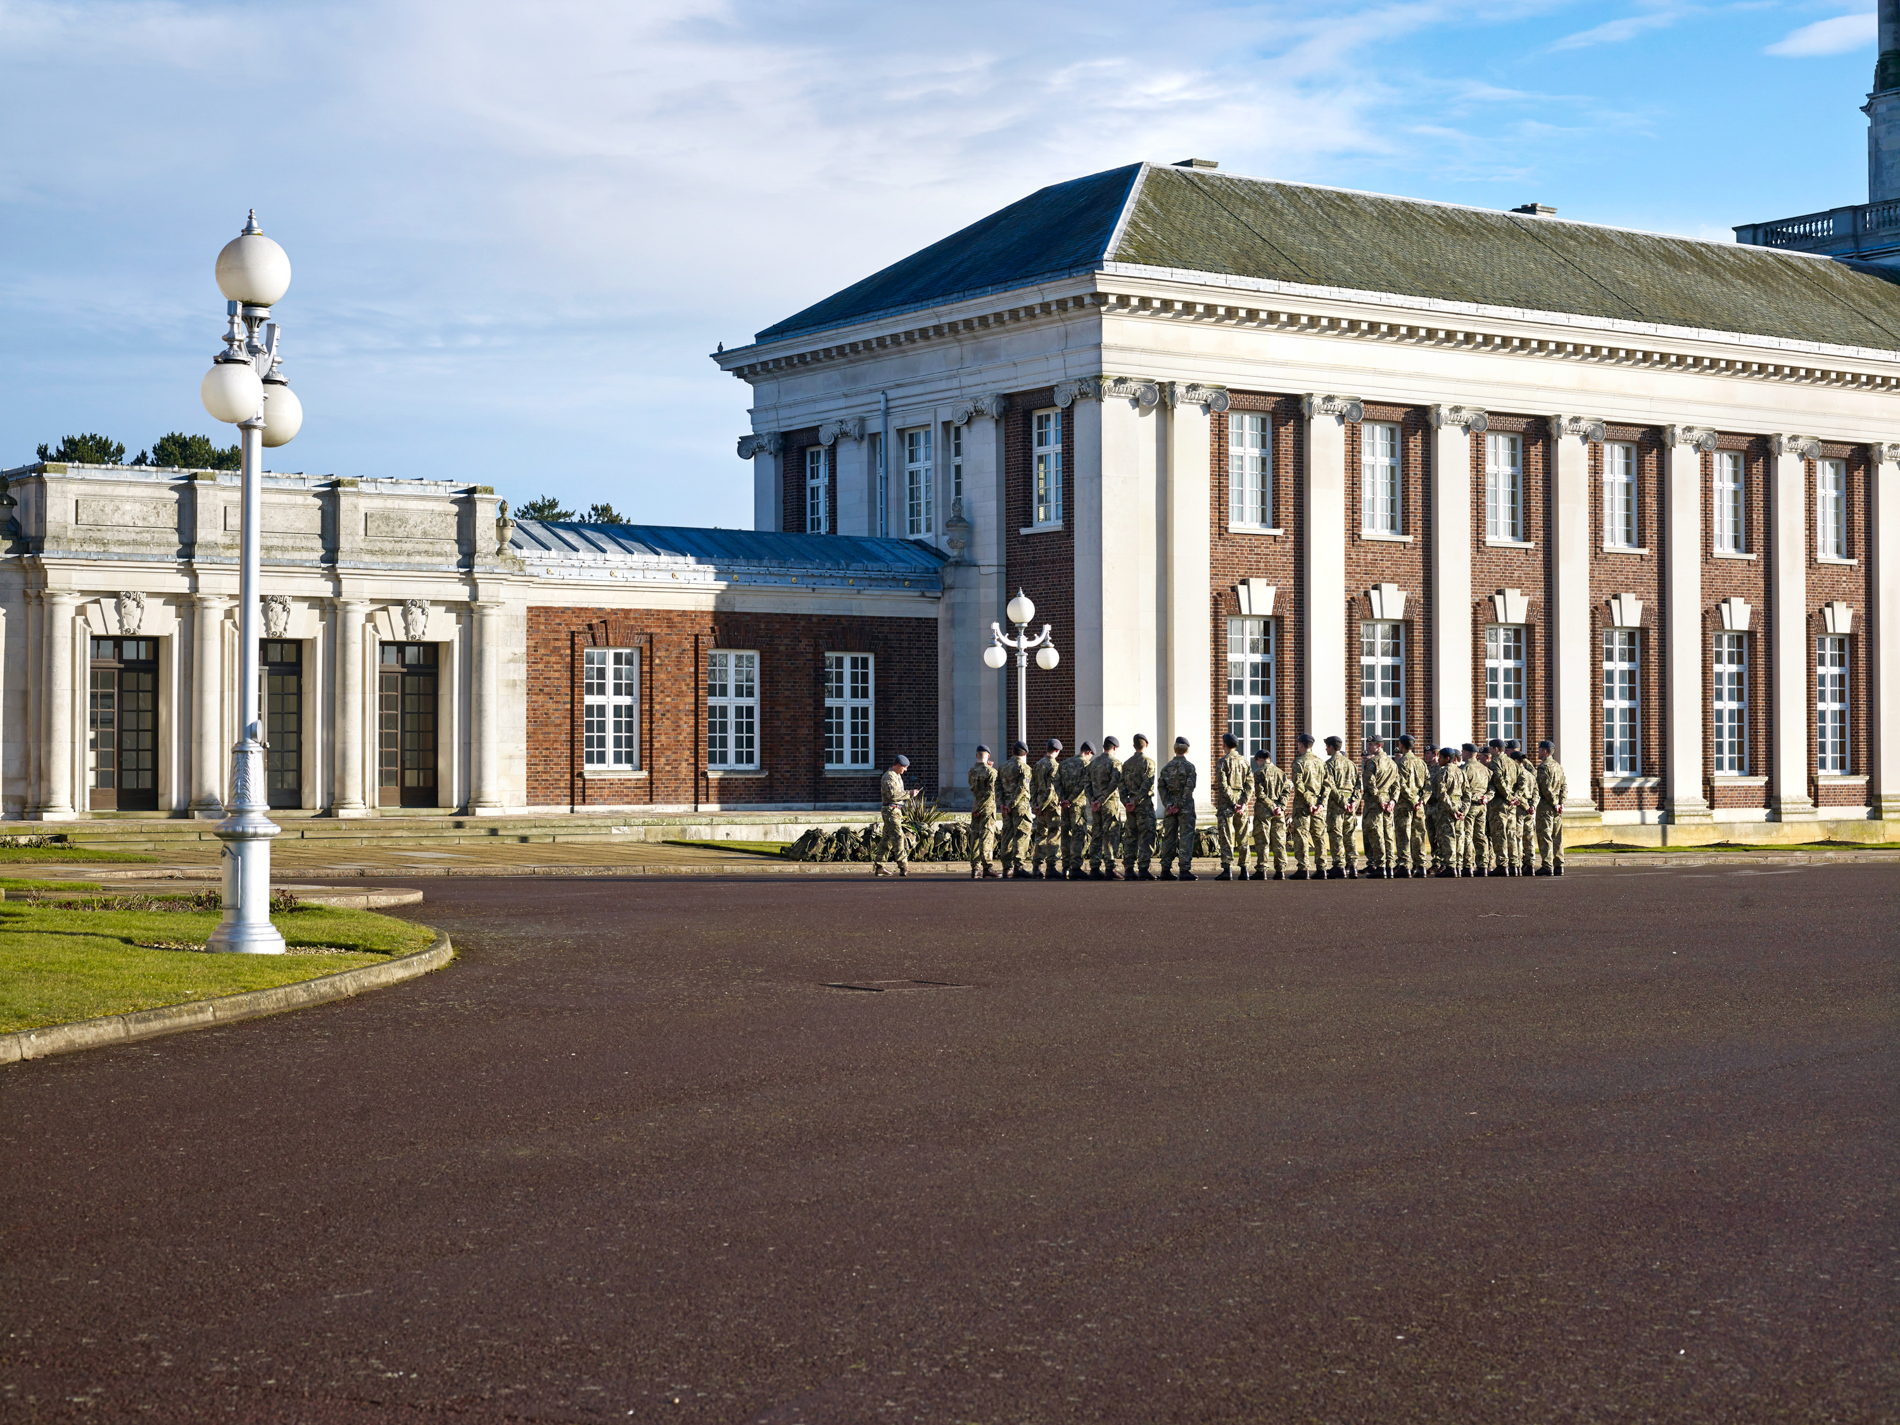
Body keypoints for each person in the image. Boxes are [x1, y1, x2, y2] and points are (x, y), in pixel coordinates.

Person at [1212, 732, 1252, 881]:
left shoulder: (1222, 762)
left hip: (1226, 805)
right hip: (1241, 803)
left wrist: (1233, 803)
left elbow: (1223, 785)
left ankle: (1227, 869)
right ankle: (1244, 869)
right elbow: (1250, 784)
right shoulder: (1245, 762)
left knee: (1226, 836)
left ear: (1224, 744)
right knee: (1243, 837)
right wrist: (1243, 803)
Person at [1157, 736, 1199, 881]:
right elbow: (1189, 788)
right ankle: (1184, 869)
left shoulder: (1167, 767)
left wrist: (1169, 804)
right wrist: (1180, 804)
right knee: (1186, 837)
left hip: (1170, 808)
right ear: (1187, 750)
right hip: (1185, 807)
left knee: (1169, 837)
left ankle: (1165, 869)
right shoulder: (1190, 767)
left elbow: (1161, 788)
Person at [1247, 747, 1292, 880]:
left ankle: (1262, 870)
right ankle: (1281, 870)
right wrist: (1280, 806)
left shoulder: (1259, 773)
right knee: (1279, 840)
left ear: (1260, 759)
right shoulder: (1281, 773)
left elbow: (1260, 793)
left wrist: (1271, 806)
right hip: (1278, 812)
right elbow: (1286, 792)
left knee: (1262, 840)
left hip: (1263, 811)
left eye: (1257, 761)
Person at [1321, 735, 1362, 879]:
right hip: (1350, 804)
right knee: (1350, 835)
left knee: (1336, 835)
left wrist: (1343, 802)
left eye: (1327, 746)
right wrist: (1353, 802)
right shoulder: (1351, 764)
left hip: (1336, 805)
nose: (1326, 748)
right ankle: (1353, 866)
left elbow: (1330, 786)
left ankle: (1339, 865)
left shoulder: (1328, 765)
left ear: (1332, 747)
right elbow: (1358, 785)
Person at [1120, 734, 1159, 880]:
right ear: (1146, 745)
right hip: (1143, 805)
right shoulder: (1148, 763)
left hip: (1130, 805)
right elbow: (1147, 784)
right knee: (1147, 835)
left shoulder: (1126, 764)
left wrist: (1127, 802)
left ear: (1134, 746)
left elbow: (1121, 785)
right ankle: (1143, 868)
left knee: (1130, 836)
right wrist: (1136, 801)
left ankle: (1129, 869)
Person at [873, 754, 918, 877]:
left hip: (895, 810)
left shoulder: (897, 776)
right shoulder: (889, 777)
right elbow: (893, 795)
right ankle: (903, 866)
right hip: (890, 810)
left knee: (886, 839)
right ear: (898, 765)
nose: (906, 769)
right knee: (898, 837)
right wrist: (910, 794)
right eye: (904, 767)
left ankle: (880, 866)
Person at [1360, 736, 1399, 879]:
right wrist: (1393, 800)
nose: (1368, 747)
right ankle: (1390, 865)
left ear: (1379, 745)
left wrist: (1380, 800)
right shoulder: (1392, 763)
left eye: (1371, 745)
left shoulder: (1372, 762)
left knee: (1376, 834)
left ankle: (1380, 865)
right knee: (1388, 834)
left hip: (1375, 803)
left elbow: (1370, 784)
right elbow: (1396, 785)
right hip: (1388, 801)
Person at [1288, 733, 1326, 880]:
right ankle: (1322, 868)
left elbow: (1298, 785)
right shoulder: (1321, 763)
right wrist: (1320, 803)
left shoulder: (1298, 763)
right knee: (1319, 837)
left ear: (1301, 745)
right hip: (1318, 807)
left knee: (1302, 836)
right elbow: (1327, 785)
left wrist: (1310, 803)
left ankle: (1303, 868)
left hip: (1303, 806)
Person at [1088, 736, 1125, 880]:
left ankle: (1094, 867)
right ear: (1114, 748)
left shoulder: (1093, 763)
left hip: (1095, 805)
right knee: (1111, 835)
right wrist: (1102, 800)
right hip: (1109, 805)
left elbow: (1087, 783)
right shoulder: (1115, 763)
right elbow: (1114, 784)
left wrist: (1093, 801)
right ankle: (1110, 867)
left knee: (1096, 835)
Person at [1394, 734, 1430, 879]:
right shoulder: (1421, 763)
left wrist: (1413, 800)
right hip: (1419, 805)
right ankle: (1421, 865)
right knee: (1419, 834)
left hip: (1405, 804)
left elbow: (1401, 784)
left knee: (1403, 834)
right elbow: (1428, 784)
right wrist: (1422, 800)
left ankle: (1404, 865)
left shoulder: (1400, 763)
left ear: (1402, 745)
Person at [1057, 742, 1095, 881]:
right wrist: (1071, 799)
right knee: (1078, 835)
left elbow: (1056, 782)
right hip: (1077, 805)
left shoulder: (1064, 763)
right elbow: (1083, 784)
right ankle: (1075, 868)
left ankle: (1065, 867)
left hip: (1064, 805)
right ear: (1089, 752)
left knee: (1065, 835)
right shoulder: (1086, 765)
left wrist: (1063, 799)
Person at [1428, 747, 1467, 878]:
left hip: (1446, 809)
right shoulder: (1461, 772)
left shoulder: (1442, 772)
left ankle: (1450, 866)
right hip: (1459, 807)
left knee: (1447, 837)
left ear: (1447, 759)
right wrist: (1463, 810)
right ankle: (1458, 866)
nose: (1438, 760)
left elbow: (1442, 794)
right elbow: (1468, 794)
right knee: (1459, 837)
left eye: (1441, 757)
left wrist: (1453, 810)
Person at [1485, 738, 1521, 876]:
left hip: (1500, 803)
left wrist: (1509, 796)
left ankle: (1502, 865)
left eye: (1490, 748)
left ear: (1495, 749)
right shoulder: (1512, 762)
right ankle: (1514, 865)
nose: (1489, 751)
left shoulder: (1495, 762)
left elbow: (1499, 781)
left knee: (1499, 834)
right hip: (1511, 804)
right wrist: (1515, 796)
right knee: (1511, 835)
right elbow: (1521, 780)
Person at [997, 741, 1032, 878]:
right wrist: (1012, 804)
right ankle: (1018, 866)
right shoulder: (1024, 768)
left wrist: (1003, 804)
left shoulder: (1003, 767)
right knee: (1021, 835)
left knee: (1007, 835)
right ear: (1025, 753)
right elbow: (1022, 788)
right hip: (1020, 806)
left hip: (1006, 807)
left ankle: (1006, 867)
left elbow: (998, 786)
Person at [1030, 738, 1063, 880]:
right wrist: (1042, 806)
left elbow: (1032, 786)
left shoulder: (1038, 764)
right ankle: (1051, 867)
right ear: (1057, 751)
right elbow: (1051, 789)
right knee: (1054, 836)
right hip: (1051, 807)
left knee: (1040, 836)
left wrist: (1035, 805)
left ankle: (1036, 867)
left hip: (1039, 806)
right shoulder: (1054, 765)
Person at [1535, 740, 1568, 876]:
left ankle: (1547, 865)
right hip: (1557, 809)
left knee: (1545, 836)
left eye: (1539, 750)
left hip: (1546, 807)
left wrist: (1554, 803)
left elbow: (1546, 788)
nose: (1537, 752)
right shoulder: (1558, 767)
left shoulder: (1543, 767)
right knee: (1557, 837)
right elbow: (1564, 786)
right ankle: (1559, 865)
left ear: (1544, 751)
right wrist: (1561, 803)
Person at [1460, 743, 1493, 877]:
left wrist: (1476, 798)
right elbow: (1492, 788)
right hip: (1482, 806)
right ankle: (1483, 865)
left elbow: (1463, 790)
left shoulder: (1464, 769)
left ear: (1467, 753)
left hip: (1469, 806)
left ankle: (1468, 865)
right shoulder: (1485, 769)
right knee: (1481, 835)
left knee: (1468, 835)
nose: (1461, 755)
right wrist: (1486, 798)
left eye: (1463, 752)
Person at [967, 745, 999, 880]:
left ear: (976, 755)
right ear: (988, 756)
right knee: (986, 836)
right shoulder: (991, 772)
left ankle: (975, 867)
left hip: (975, 805)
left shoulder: (972, 771)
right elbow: (991, 792)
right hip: (987, 807)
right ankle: (987, 867)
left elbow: (974, 788)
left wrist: (976, 808)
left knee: (975, 836)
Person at [1509, 743, 1536, 876]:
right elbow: (1536, 792)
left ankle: (1518, 864)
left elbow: (1517, 793)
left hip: (1520, 809)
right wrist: (1533, 806)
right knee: (1529, 837)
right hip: (1529, 809)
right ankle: (1530, 864)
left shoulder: (1517, 774)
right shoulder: (1530, 774)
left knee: (1518, 837)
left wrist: (1525, 806)